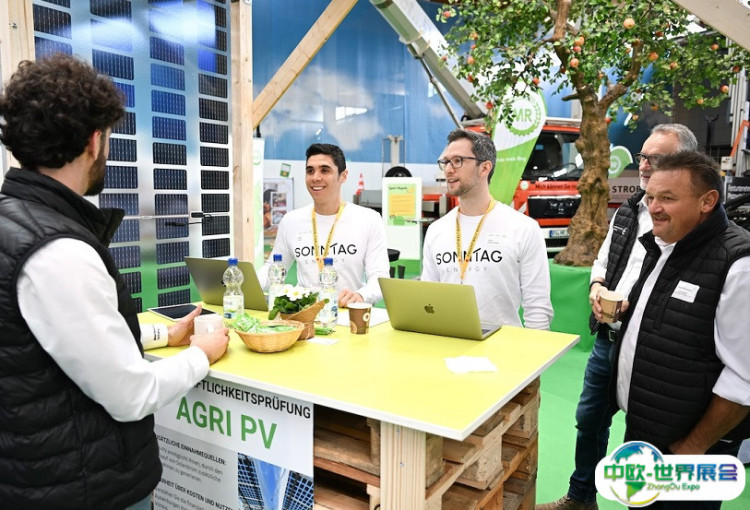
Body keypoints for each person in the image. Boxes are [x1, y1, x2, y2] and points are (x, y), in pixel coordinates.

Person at [0, 54, 230, 509]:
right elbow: (131, 394)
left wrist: (165, 335)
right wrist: (200, 355)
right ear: (94, 141)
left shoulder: (16, 223)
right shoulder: (58, 251)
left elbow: (59, 341)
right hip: (86, 489)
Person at [538, 123, 698, 510]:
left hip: (652, 350)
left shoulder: (692, 224)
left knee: (643, 436)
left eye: (656, 158)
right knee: (589, 419)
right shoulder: (628, 210)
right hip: (608, 339)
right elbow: (604, 261)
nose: (644, 165)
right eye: (642, 156)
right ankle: (581, 496)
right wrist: (596, 287)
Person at [617, 151, 750, 508]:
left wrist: (693, 447)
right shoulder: (664, 245)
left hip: (690, 451)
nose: (654, 208)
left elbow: (744, 377)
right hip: (647, 433)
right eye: (650, 197)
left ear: (707, 201)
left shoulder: (739, 264)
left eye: (668, 198)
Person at [420, 129, 553, 329]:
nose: (448, 169)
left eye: (457, 161)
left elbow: (538, 308)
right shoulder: (436, 230)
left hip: (503, 345)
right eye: (445, 162)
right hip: (447, 342)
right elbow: (427, 299)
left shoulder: (523, 229)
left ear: (484, 168)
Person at [258, 143, 391, 306]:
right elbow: (273, 269)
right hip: (304, 314)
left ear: (343, 176)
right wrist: (243, 282)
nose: (315, 177)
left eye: (325, 170)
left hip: (347, 313)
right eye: (310, 171)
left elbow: (379, 277)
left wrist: (361, 295)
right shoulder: (291, 221)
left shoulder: (368, 219)